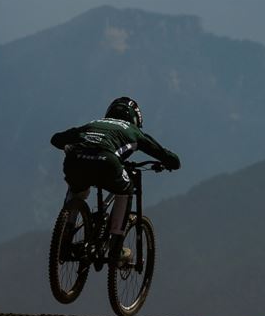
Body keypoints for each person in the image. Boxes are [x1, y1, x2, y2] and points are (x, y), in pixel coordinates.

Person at [49, 96, 180, 263]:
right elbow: (161, 153)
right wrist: (173, 163)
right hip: (107, 162)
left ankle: (65, 237)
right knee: (126, 189)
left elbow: (56, 139)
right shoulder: (134, 131)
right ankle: (115, 247)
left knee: (77, 190)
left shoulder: (93, 123)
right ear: (135, 118)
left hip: (75, 160)